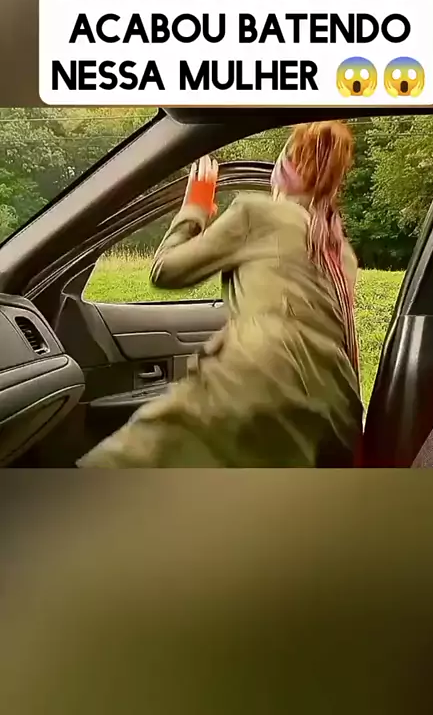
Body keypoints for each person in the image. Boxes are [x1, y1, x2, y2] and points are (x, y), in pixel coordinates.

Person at [78, 121, 363, 468]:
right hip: (335, 420)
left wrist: (196, 206)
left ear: (284, 169)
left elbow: (165, 270)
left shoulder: (258, 213)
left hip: (253, 393)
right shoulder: (342, 254)